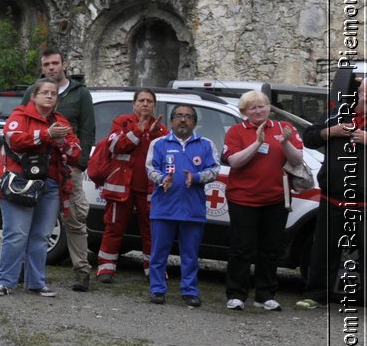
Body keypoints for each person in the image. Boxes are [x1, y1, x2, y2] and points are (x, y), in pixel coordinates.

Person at [0, 78, 80, 297]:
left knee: (41, 236)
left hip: (50, 185)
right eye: (45, 92)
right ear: (34, 96)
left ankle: (36, 283)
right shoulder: (20, 116)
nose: (50, 96)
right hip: (19, 182)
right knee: (17, 234)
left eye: (54, 93)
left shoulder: (60, 121)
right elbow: (14, 139)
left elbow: (76, 152)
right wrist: (46, 135)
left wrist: (61, 142)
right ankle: (5, 282)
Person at [221, 90, 307, 311]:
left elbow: (297, 159)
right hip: (243, 199)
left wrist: (286, 142)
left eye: (262, 106)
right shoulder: (236, 131)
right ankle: (237, 294)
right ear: (244, 112)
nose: (258, 110)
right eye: (253, 107)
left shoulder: (282, 128)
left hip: (276, 199)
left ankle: (265, 295)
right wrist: (257, 143)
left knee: (270, 249)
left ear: (269, 107)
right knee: (242, 248)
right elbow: (234, 161)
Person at [25, 49, 95, 289]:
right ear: (42, 67)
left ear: (64, 64)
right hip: (37, 166)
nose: (52, 67)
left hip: (67, 166)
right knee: (32, 216)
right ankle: (27, 267)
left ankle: (82, 270)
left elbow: (87, 130)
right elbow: (23, 122)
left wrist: (80, 162)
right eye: (47, 64)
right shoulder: (32, 92)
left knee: (74, 217)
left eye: (56, 63)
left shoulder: (80, 94)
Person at [300, 70, 366, 309]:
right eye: (364, 93)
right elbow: (307, 138)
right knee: (324, 251)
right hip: (333, 199)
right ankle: (316, 295)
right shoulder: (337, 116)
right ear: (358, 93)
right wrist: (330, 132)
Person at [144, 105, 220, 306]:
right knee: (159, 253)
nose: (183, 120)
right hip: (164, 209)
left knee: (190, 255)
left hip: (192, 209)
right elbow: (150, 168)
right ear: (171, 121)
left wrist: (195, 177)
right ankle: (157, 289)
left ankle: (190, 291)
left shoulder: (206, 144)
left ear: (194, 122)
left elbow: (214, 170)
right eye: (179, 116)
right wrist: (162, 179)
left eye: (188, 117)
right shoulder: (158, 144)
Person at [94, 89, 167, 283]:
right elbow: (114, 146)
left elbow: (166, 156)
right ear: (133, 105)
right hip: (121, 186)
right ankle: (106, 268)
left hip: (149, 189)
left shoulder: (161, 129)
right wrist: (138, 131)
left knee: (151, 230)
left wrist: (151, 135)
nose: (145, 104)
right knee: (114, 227)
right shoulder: (122, 122)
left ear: (154, 106)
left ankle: (153, 270)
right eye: (141, 100)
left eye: (149, 101)